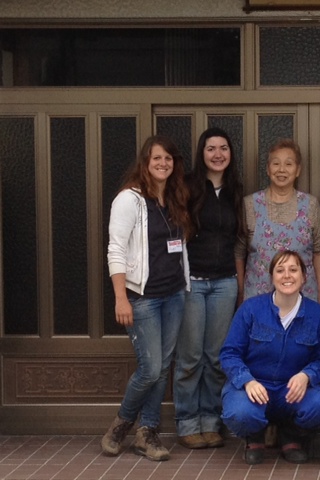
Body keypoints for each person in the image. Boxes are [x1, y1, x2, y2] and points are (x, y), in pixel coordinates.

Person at [102, 135, 191, 461]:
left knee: (163, 366)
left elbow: (179, 246)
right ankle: (121, 424)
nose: (163, 163)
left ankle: (147, 433)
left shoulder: (175, 197)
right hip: (142, 298)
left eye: (168, 158)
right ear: (146, 162)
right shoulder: (130, 199)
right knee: (151, 368)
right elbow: (116, 249)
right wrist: (120, 298)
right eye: (157, 158)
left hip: (174, 294)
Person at [220, 250, 320, 465]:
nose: (287, 276)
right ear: (272, 277)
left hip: (291, 391)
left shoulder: (316, 314)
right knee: (240, 412)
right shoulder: (251, 309)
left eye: (293, 270)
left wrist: (307, 375)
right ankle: (254, 437)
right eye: (280, 270)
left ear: (304, 277)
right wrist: (247, 381)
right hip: (254, 388)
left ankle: (291, 435)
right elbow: (229, 353)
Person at [173, 128, 244, 450]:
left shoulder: (235, 191)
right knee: (190, 357)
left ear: (231, 153)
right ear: (201, 152)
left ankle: (212, 421)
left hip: (225, 283)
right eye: (211, 148)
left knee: (216, 358)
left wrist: (239, 283)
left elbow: (239, 240)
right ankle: (188, 422)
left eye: (223, 148)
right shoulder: (186, 186)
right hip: (192, 283)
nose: (218, 154)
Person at [235, 139, 320, 306]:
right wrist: (241, 292)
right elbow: (239, 252)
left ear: (298, 170)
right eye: (276, 163)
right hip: (258, 298)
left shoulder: (310, 204)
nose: (282, 169)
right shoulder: (249, 204)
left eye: (289, 164)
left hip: (303, 298)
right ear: (268, 169)